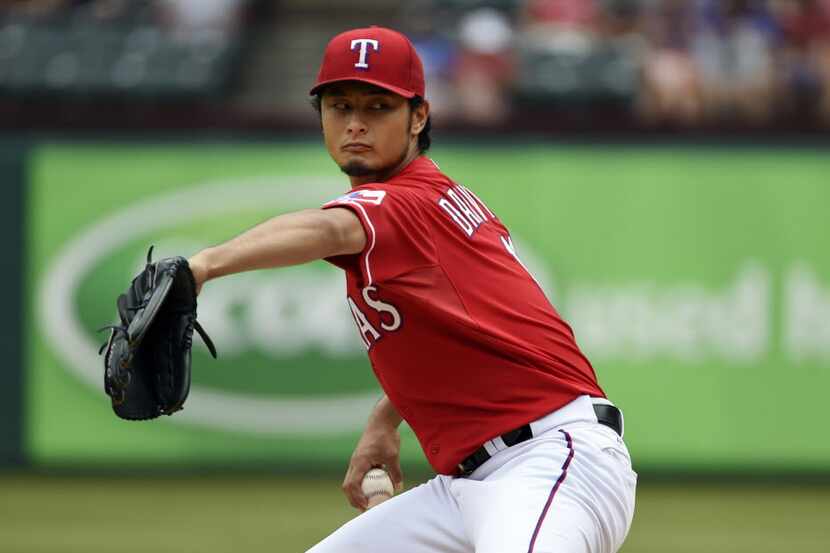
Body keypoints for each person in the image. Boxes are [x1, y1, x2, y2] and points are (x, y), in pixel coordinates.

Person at [187, 26, 637, 553]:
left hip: (549, 465)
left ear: (418, 116)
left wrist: (202, 267)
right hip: (465, 486)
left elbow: (329, 229)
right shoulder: (430, 208)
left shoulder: (406, 201)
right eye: (340, 106)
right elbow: (469, 334)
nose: (355, 123)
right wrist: (385, 419)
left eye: (378, 107)